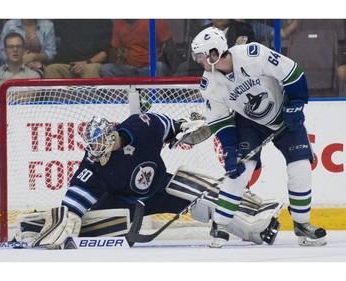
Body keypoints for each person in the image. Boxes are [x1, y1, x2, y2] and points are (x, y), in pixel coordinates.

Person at [24, 112, 283, 249]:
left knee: (193, 185)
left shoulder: (142, 126)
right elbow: (73, 204)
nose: (98, 149)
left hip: (161, 187)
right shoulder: (93, 164)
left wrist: (183, 128)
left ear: (111, 132)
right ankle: (33, 228)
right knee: (85, 221)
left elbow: (173, 127)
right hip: (125, 205)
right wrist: (65, 217)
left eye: (102, 141)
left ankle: (256, 222)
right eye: (93, 145)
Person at [190, 26, 327, 247]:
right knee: (241, 170)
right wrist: (229, 149)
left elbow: (292, 72)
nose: (198, 61)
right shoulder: (209, 84)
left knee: (300, 166)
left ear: (214, 53)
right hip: (250, 124)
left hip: (283, 113)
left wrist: (297, 103)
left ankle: (302, 223)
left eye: (200, 56)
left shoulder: (253, 53)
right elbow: (221, 121)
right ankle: (220, 225)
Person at [174, 19, 255, 77]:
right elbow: (195, 59)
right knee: (183, 68)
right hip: (204, 72)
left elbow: (245, 59)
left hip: (232, 74)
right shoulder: (200, 31)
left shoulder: (243, 30)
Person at [100, 19, 176, 77]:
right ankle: (120, 97)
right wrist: (119, 57)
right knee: (106, 69)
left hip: (151, 67)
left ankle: (155, 97)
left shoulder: (154, 20)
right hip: (129, 68)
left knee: (159, 66)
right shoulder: (118, 23)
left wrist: (170, 66)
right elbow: (114, 50)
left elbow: (170, 45)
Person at [0, 32, 41, 100]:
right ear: (5, 51)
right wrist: (18, 93)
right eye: (11, 47)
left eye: (19, 46)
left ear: (23, 50)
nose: (15, 50)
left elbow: (29, 96)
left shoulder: (33, 75)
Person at [44, 19, 112, 78]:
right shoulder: (63, 20)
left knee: (89, 69)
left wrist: (87, 62)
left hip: (91, 63)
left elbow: (105, 53)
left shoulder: (103, 21)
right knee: (51, 69)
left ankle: (88, 93)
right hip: (68, 65)